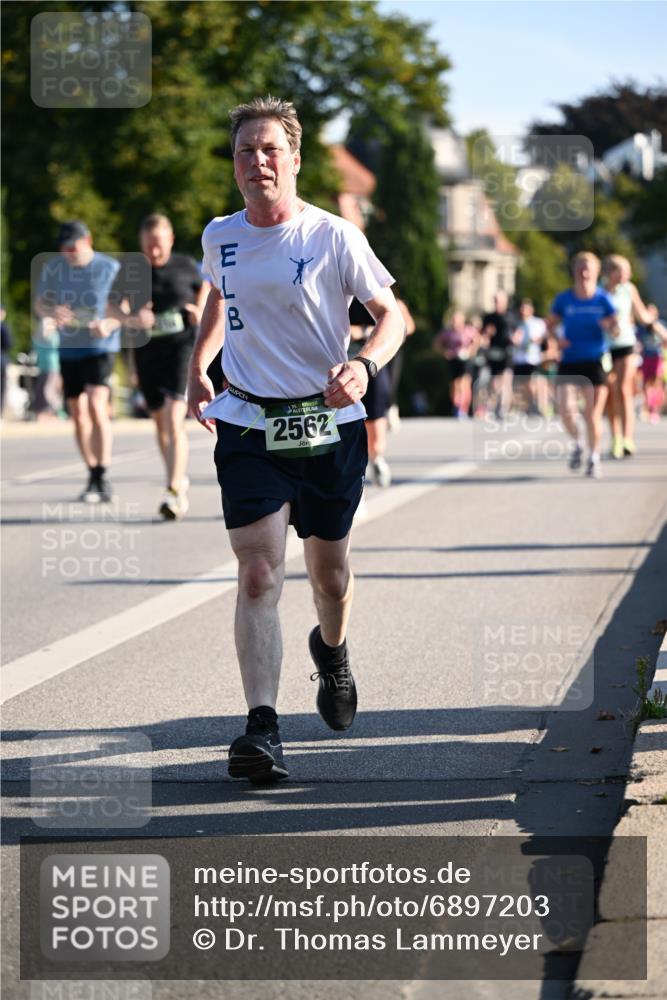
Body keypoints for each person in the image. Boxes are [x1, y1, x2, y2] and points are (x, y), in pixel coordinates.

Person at [186, 96, 404, 783]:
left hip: (329, 423)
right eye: (245, 150)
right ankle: (262, 727)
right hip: (249, 422)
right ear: (234, 165)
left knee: (329, 577)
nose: (257, 161)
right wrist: (199, 364)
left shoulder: (333, 235)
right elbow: (221, 297)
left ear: (295, 159)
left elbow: (391, 315)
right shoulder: (219, 235)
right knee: (257, 570)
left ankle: (331, 652)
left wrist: (365, 365)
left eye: (270, 149)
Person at [111, 214, 208, 519]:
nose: (153, 252)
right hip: (147, 353)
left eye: (158, 245)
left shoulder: (184, 265)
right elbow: (112, 305)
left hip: (181, 350)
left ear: (170, 240)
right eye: (148, 246)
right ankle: (177, 476)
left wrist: (199, 310)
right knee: (160, 423)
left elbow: (205, 289)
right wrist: (131, 319)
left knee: (173, 415)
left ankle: (173, 489)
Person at [35, 221, 121, 501]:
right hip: (69, 349)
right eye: (64, 248)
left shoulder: (109, 268)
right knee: (78, 413)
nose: (69, 253)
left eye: (73, 247)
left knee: (96, 404)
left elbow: (124, 309)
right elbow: (40, 303)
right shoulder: (54, 268)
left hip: (101, 346)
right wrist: (52, 311)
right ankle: (92, 473)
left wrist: (108, 324)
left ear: (88, 241)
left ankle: (103, 473)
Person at [546, 252, 618, 479]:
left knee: (592, 415)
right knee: (566, 410)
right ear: (575, 271)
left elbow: (617, 329)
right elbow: (549, 324)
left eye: (589, 269)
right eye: (580, 268)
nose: (584, 273)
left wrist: (609, 326)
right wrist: (556, 340)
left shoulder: (603, 299)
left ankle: (594, 458)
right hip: (570, 361)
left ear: (596, 272)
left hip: (595, 361)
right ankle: (578, 443)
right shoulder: (564, 299)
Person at [601, 255, 658, 458]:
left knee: (624, 389)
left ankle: (627, 438)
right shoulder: (599, 291)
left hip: (626, 343)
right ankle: (615, 437)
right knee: (609, 390)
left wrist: (661, 332)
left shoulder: (629, 289)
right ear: (612, 272)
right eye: (626, 270)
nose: (630, 274)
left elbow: (643, 316)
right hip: (604, 346)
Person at [348, 297, 393, 487]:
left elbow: (403, 325)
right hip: (337, 363)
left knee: (374, 426)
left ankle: (377, 459)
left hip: (370, 364)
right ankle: (357, 481)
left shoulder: (375, 288)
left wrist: (362, 331)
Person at [433, 308, 480, 419]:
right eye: (453, 320)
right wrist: (444, 352)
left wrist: (471, 351)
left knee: (465, 383)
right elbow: (436, 343)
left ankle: (464, 408)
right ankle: (457, 406)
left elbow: (477, 340)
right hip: (453, 360)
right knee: (455, 385)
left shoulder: (468, 330)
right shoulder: (447, 332)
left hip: (465, 360)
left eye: (457, 320)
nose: (455, 322)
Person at [511, 299, 547, 415]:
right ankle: (529, 405)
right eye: (521, 308)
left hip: (532, 358)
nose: (523, 311)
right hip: (519, 358)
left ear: (531, 310)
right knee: (522, 384)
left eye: (525, 308)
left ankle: (537, 404)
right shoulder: (516, 324)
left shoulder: (538, 323)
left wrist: (535, 340)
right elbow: (513, 338)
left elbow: (543, 338)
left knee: (532, 383)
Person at [481, 291, 513, 417]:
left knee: (506, 379)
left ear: (505, 302)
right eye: (495, 301)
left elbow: (518, 330)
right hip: (494, 351)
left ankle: (503, 407)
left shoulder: (511, 315)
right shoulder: (488, 317)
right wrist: (487, 334)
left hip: (507, 351)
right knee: (495, 382)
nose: (497, 304)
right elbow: (483, 333)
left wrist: (516, 337)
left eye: (499, 301)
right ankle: (497, 404)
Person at [637, 312, 667, 423]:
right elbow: (637, 341)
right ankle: (648, 408)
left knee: (657, 384)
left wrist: (655, 328)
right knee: (645, 385)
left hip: (657, 357)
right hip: (646, 358)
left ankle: (655, 410)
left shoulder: (660, 325)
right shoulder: (641, 328)